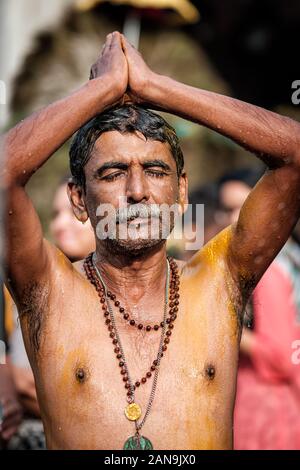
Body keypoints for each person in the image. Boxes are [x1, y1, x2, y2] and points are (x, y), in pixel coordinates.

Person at [1, 31, 300, 450]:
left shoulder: (219, 279)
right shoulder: (49, 289)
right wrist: (101, 91)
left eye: (156, 171)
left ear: (181, 192)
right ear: (78, 199)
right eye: (112, 173)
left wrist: (155, 87)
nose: (137, 190)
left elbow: (295, 155)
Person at [218, 170, 300, 449]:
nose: (233, 219)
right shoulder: (274, 261)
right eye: (227, 209)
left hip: (266, 412)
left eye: (243, 208)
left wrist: (227, 327)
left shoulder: (268, 272)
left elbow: (280, 355)